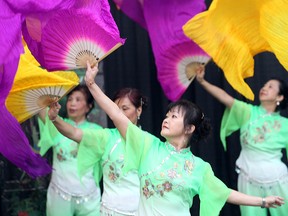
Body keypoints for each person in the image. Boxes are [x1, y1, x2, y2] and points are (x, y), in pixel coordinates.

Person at [48, 62, 284, 216]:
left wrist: (262, 201)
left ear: (189, 128)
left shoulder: (199, 168)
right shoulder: (148, 145)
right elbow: (115, 114)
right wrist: (90, 84)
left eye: (175, 116)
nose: (167, 118)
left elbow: (226, 192)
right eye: (167, 114)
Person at [196, 65, 288, 216]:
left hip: (278, 180)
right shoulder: (248, 112)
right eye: (264, 85)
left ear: (280, 97)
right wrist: (202, 81)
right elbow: (225, 98)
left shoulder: (286, 125)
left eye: (270, 87)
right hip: (249, 178)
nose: (264, 88)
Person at [46, 86, 148, 215]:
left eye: (125, 109)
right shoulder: (106, 137)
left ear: (138, 110)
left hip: (139, 209)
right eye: (115, 109)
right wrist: (55, 118)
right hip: (109, 210)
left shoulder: (150, 142)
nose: (119, 114)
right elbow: (75, 133)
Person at [38, 84, 103, 216]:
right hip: (59, 193)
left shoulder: (98, 131)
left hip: (89, 196)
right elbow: (40, 109)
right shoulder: (57, 123)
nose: (72, 104)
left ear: (89, 106)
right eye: (70, 99)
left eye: (78, 100)